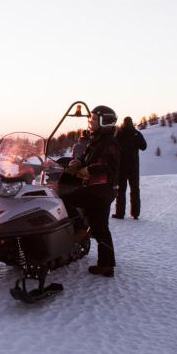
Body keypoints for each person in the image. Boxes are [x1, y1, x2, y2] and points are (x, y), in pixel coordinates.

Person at [61, 105, 120, 277]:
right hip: (100, 190)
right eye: (91, 118)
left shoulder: (110, 143)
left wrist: (89, 170)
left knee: (65, 197)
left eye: (94, 119)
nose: (90, 122)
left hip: (100, 189)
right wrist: (77, 163)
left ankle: (79, 230)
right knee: (101, 227)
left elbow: (109, 166)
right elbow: (85, 156)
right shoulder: (97, 140)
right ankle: (106, 265)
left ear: (104, 122)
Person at [113, 116, 147, 220]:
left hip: (122, 167)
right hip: (134, 167)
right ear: (131, 123)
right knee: (135, 190)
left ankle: (120, 213)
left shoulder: (119, 133)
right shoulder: (136, 133)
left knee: (121, 191)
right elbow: (144, 147)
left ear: (123, 123)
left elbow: (113, 147)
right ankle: (135, 213)